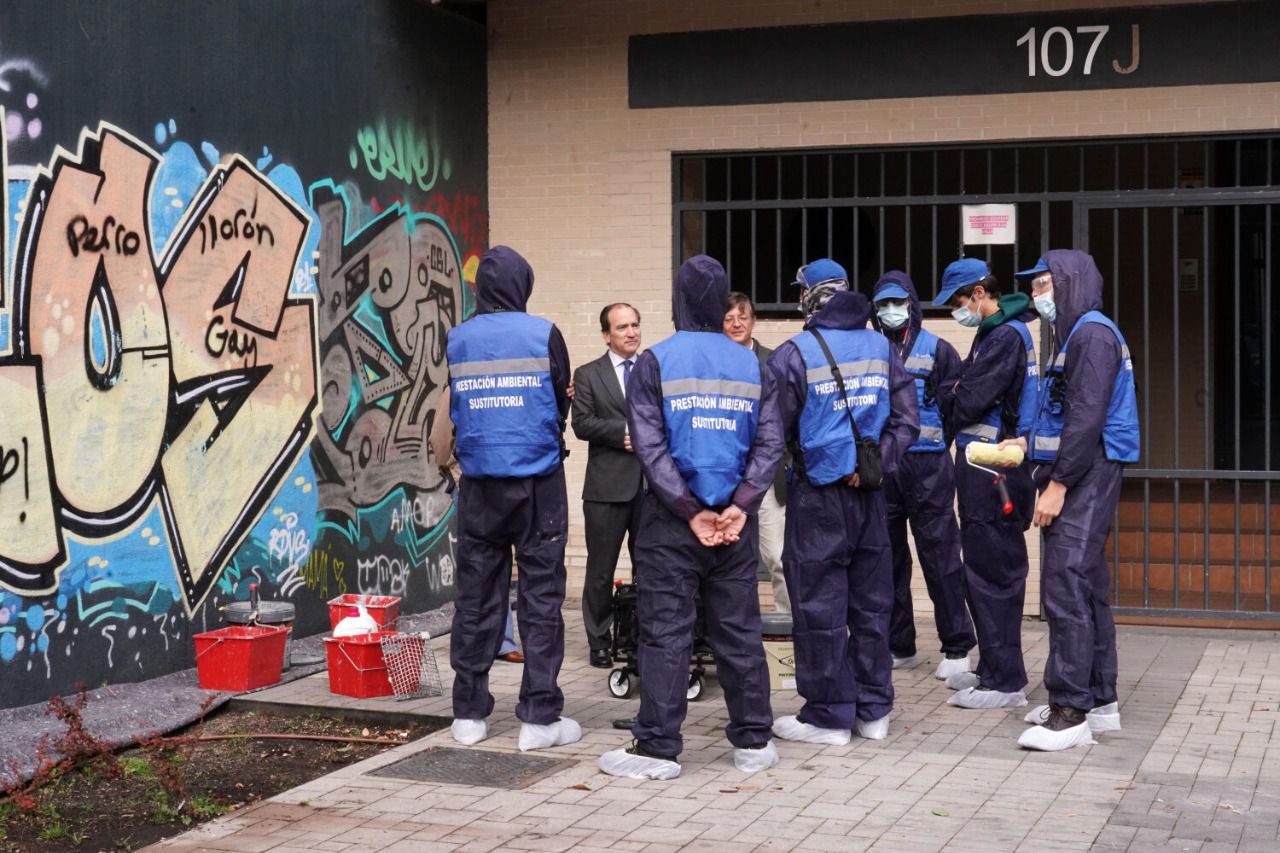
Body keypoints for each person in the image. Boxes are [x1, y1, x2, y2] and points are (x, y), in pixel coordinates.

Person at [598, 255, 783, 781]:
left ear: (679, 300)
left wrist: (689, 510)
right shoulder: (753, 363)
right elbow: (769, 447)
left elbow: (651, 450)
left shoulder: (654, 362)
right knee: (740, 632)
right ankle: (753, 741)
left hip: (670, 525)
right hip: (732, 527)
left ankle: (658, 747)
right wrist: (739, 506)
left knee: (665, 633)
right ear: (722, 299)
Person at [768, 259, 918, 746]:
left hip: (818, 500)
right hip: (870, 496)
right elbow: (907, 421)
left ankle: (829, 715)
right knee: (872, 605)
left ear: (811, 296)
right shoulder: (882, 345)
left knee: (818, 608)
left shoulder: (795, 353)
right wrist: (871, 463)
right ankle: (874, 711)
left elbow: (774, 430)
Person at [445, 245, 580, 751]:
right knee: (541, 599)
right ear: (523, 286)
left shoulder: (457, 338)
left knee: (476, 600)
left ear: (481, 288)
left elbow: (456, 403)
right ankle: (539, 719)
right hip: (538, 483)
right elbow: (560, 395)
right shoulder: (543, 333)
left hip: (479, 485)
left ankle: (469, 715)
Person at [1004, 250, 1138, 751]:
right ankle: (1099, 700)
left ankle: (1071, 710)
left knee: (1063, 581)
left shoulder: (1093, 336)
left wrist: (1057, 485)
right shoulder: (1078, 334)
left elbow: (1086, 419)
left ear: (1070, 283)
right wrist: (1025, 443)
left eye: (1044, 285)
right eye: (1036, 286)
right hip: (1083, 467)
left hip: (1087, 471)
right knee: (1084, 585)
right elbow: (1062, 413)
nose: (1038, 295)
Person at [933, 257, 1038, 711]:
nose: (956, 310)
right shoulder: (996, 331)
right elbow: (960, 388)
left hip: (992, 468)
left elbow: (967, 397)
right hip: (986, 466)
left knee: (993, 573)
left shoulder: (1005, 336)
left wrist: (954, 390)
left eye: (958, 300)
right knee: (983, 571)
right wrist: (956, 388)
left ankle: (1006, 682)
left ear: (979, 293)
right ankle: (994, 668)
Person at [871, 272, 975, 680]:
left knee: (941, 556)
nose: (891, 311)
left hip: (929, 466)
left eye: (897, 302)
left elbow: (953, 408)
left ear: (911, 304)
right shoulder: (870, 349)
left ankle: (956, 646)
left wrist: (935, 445)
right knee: (888, 559)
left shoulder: (939, 349)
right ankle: (900, 645)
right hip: (884, 467)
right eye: (882, 304)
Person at [572, 303, 646, 668]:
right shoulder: (587, 375)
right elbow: (581, 423)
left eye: (635, 325)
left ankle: (635, 637)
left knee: (648, 568)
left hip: (651, 488)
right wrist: (623, 433)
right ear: (606, 335)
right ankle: (599, 640)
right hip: (606, 488)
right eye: (622, 327)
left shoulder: (653, 369)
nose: (631, 332)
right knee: (601, 571)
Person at [723, 292, 789, 613]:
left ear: (753, 320)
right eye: (729, 318)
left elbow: (788, 416)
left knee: (777, 557)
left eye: (743, 317)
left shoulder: (774, 361)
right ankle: (738, 627)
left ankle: (788, 630)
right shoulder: (715, 365)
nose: (737, 324)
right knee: (731, 562)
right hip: (726, 478)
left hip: (767, 478)